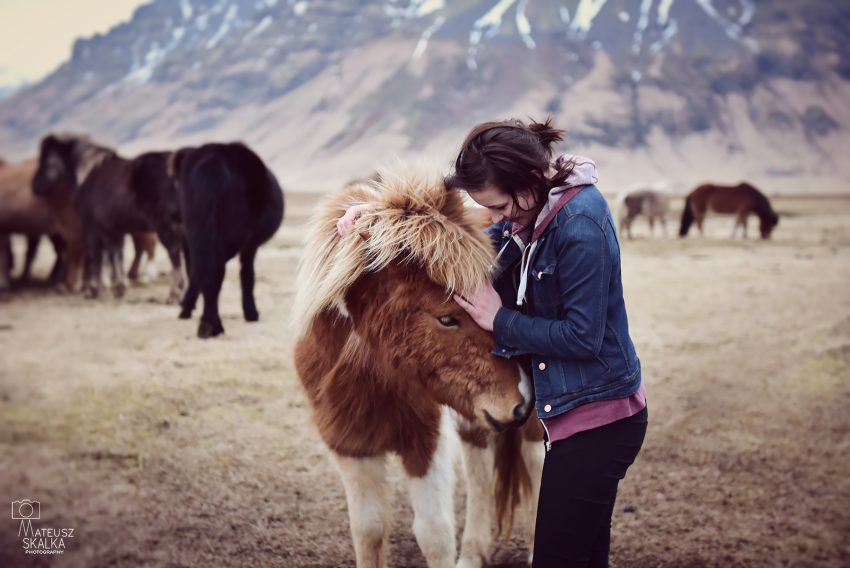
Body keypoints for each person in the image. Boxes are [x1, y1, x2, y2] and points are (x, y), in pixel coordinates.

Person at [337, 117, 647, 568]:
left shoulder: (580, 227)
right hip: (573, 415)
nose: (497, 221)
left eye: (500, 206)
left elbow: (584, 337)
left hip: (598, 422)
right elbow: (460, 224)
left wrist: (501, 321)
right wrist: (381, 219)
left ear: (528, 182)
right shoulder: (531, 210)